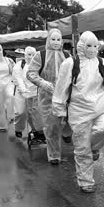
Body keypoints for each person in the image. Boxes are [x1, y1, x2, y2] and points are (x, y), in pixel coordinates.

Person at [52, 32, 104, 193]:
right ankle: (86, 181)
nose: (92, 49)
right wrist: (60, 110)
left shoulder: (101, 62)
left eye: (94, 46)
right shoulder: (70, 64)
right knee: (81, 148)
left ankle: (94, 147)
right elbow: (61, 88)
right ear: (82, 46)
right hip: (79, 111)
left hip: (102, 106)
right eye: (89, 46)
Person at [27, 28, 69, 165]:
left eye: (58, 39)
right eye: (53, 39)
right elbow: (31, 73)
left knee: (68, 123)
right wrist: (43, 83)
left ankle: (66, 134)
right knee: (51, 126)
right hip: (47, 98)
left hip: (65, 96)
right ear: (48, 40)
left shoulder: (67, 55)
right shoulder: (41, 55)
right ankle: (54, 155)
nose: (56, 42)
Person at [13, 46, 45, 140]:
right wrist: (24, 90)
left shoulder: (38, 65)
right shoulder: (19, 65)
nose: (31, 57)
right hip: (21, 92)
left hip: (34, 92)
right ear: (25, 55)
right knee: (20, 112)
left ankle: (36, 131)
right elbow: (18, 80)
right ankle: (18, 128)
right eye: (29, 55)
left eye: (33, 55)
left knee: (34, 113)